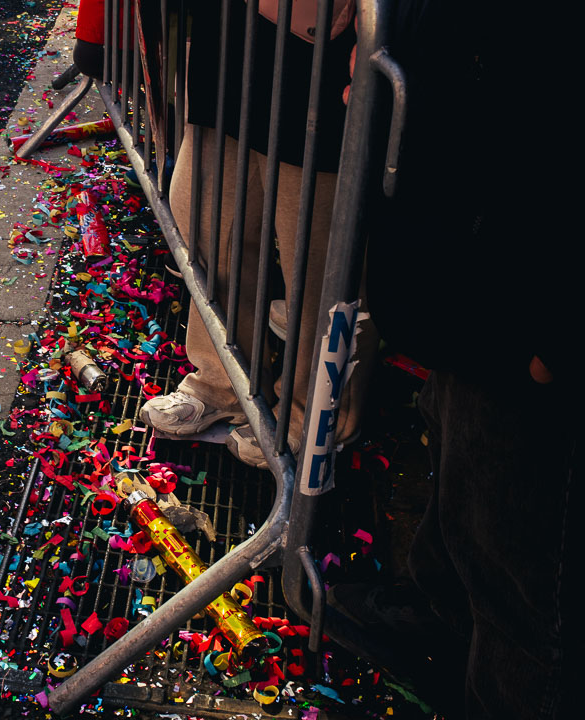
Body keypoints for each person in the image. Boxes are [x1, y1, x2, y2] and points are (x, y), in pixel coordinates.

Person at [331, 1, 577, 718]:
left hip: (529, 294)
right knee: (462, 474)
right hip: (467, 267)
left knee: (523, 568)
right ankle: (440, 622)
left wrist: (555, 334)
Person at [139, 0, 376, 468]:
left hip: (322, 62)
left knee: (318, 258)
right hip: (230, 47)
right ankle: (224, 380)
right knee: (206, 226)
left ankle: (317, 415)